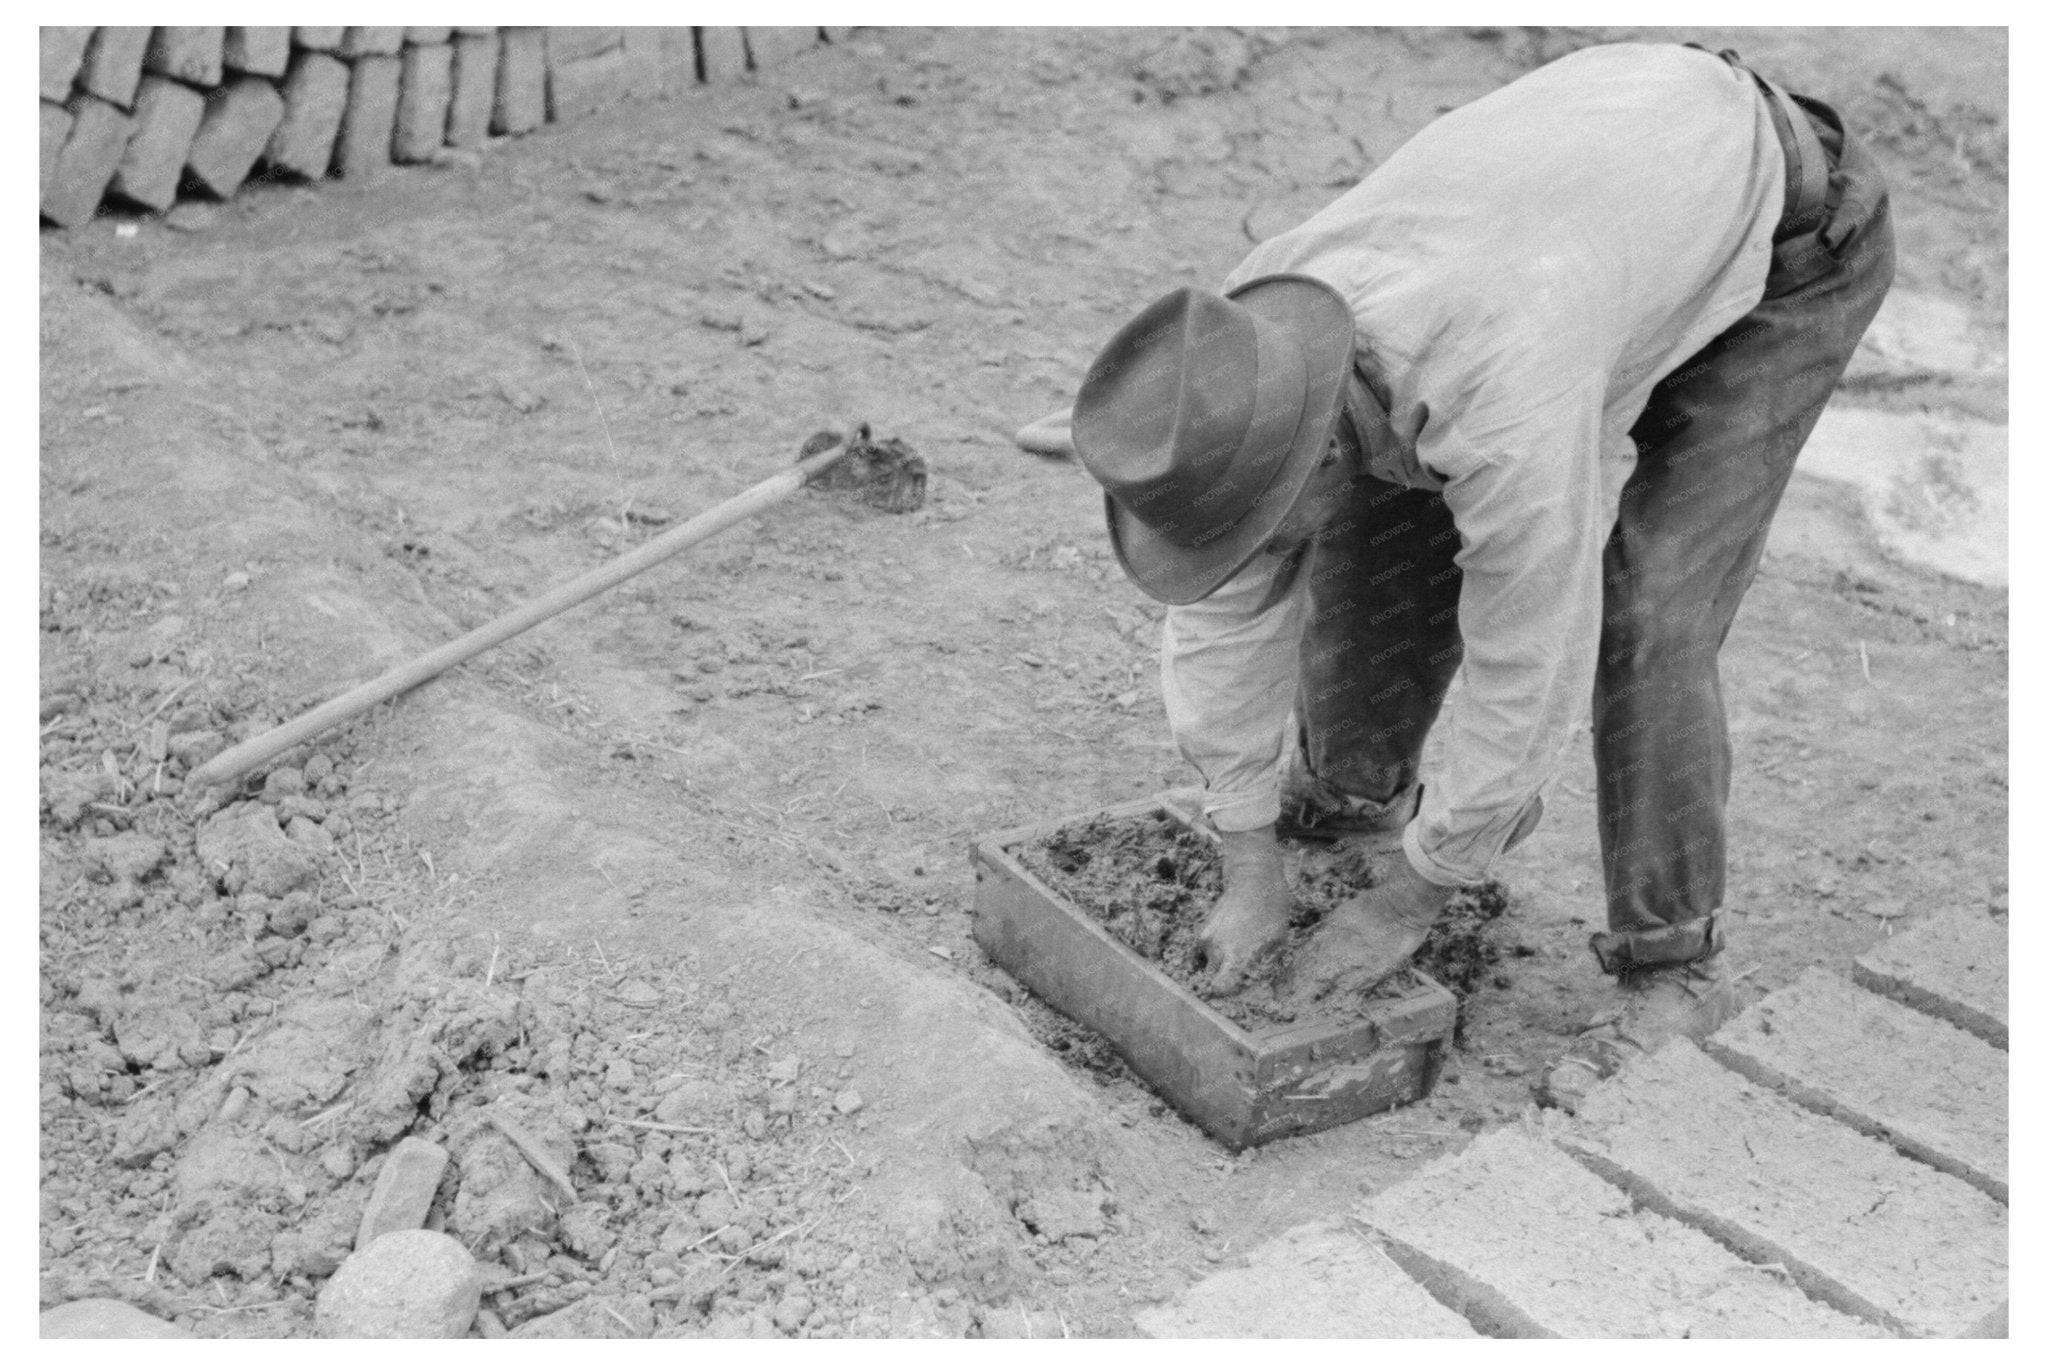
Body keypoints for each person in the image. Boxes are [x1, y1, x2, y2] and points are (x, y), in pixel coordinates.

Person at [1039, 41, 1894, 1109]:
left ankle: (1668, 967)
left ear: (1313, 444)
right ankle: (1352, 798)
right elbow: (1226, 608)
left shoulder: (1500, 400)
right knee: (1375, 519)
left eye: (1265, 521)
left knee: (1645, 608)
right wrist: (1247, 859)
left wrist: (1412, 897)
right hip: (1593, 207)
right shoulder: (1242, 362)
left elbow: (1525, 653)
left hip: (1783, 233)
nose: (1256, 553)